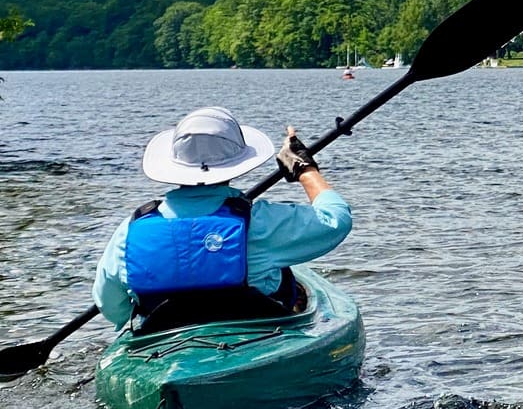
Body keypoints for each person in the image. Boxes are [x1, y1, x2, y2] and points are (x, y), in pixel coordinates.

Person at [93, 106, 352, 334]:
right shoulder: (261, 222)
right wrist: (304, 169)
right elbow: (336, 219)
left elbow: (110, 304)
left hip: (162, 339)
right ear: (235, 164)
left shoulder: (131, 230)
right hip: (255, 332)